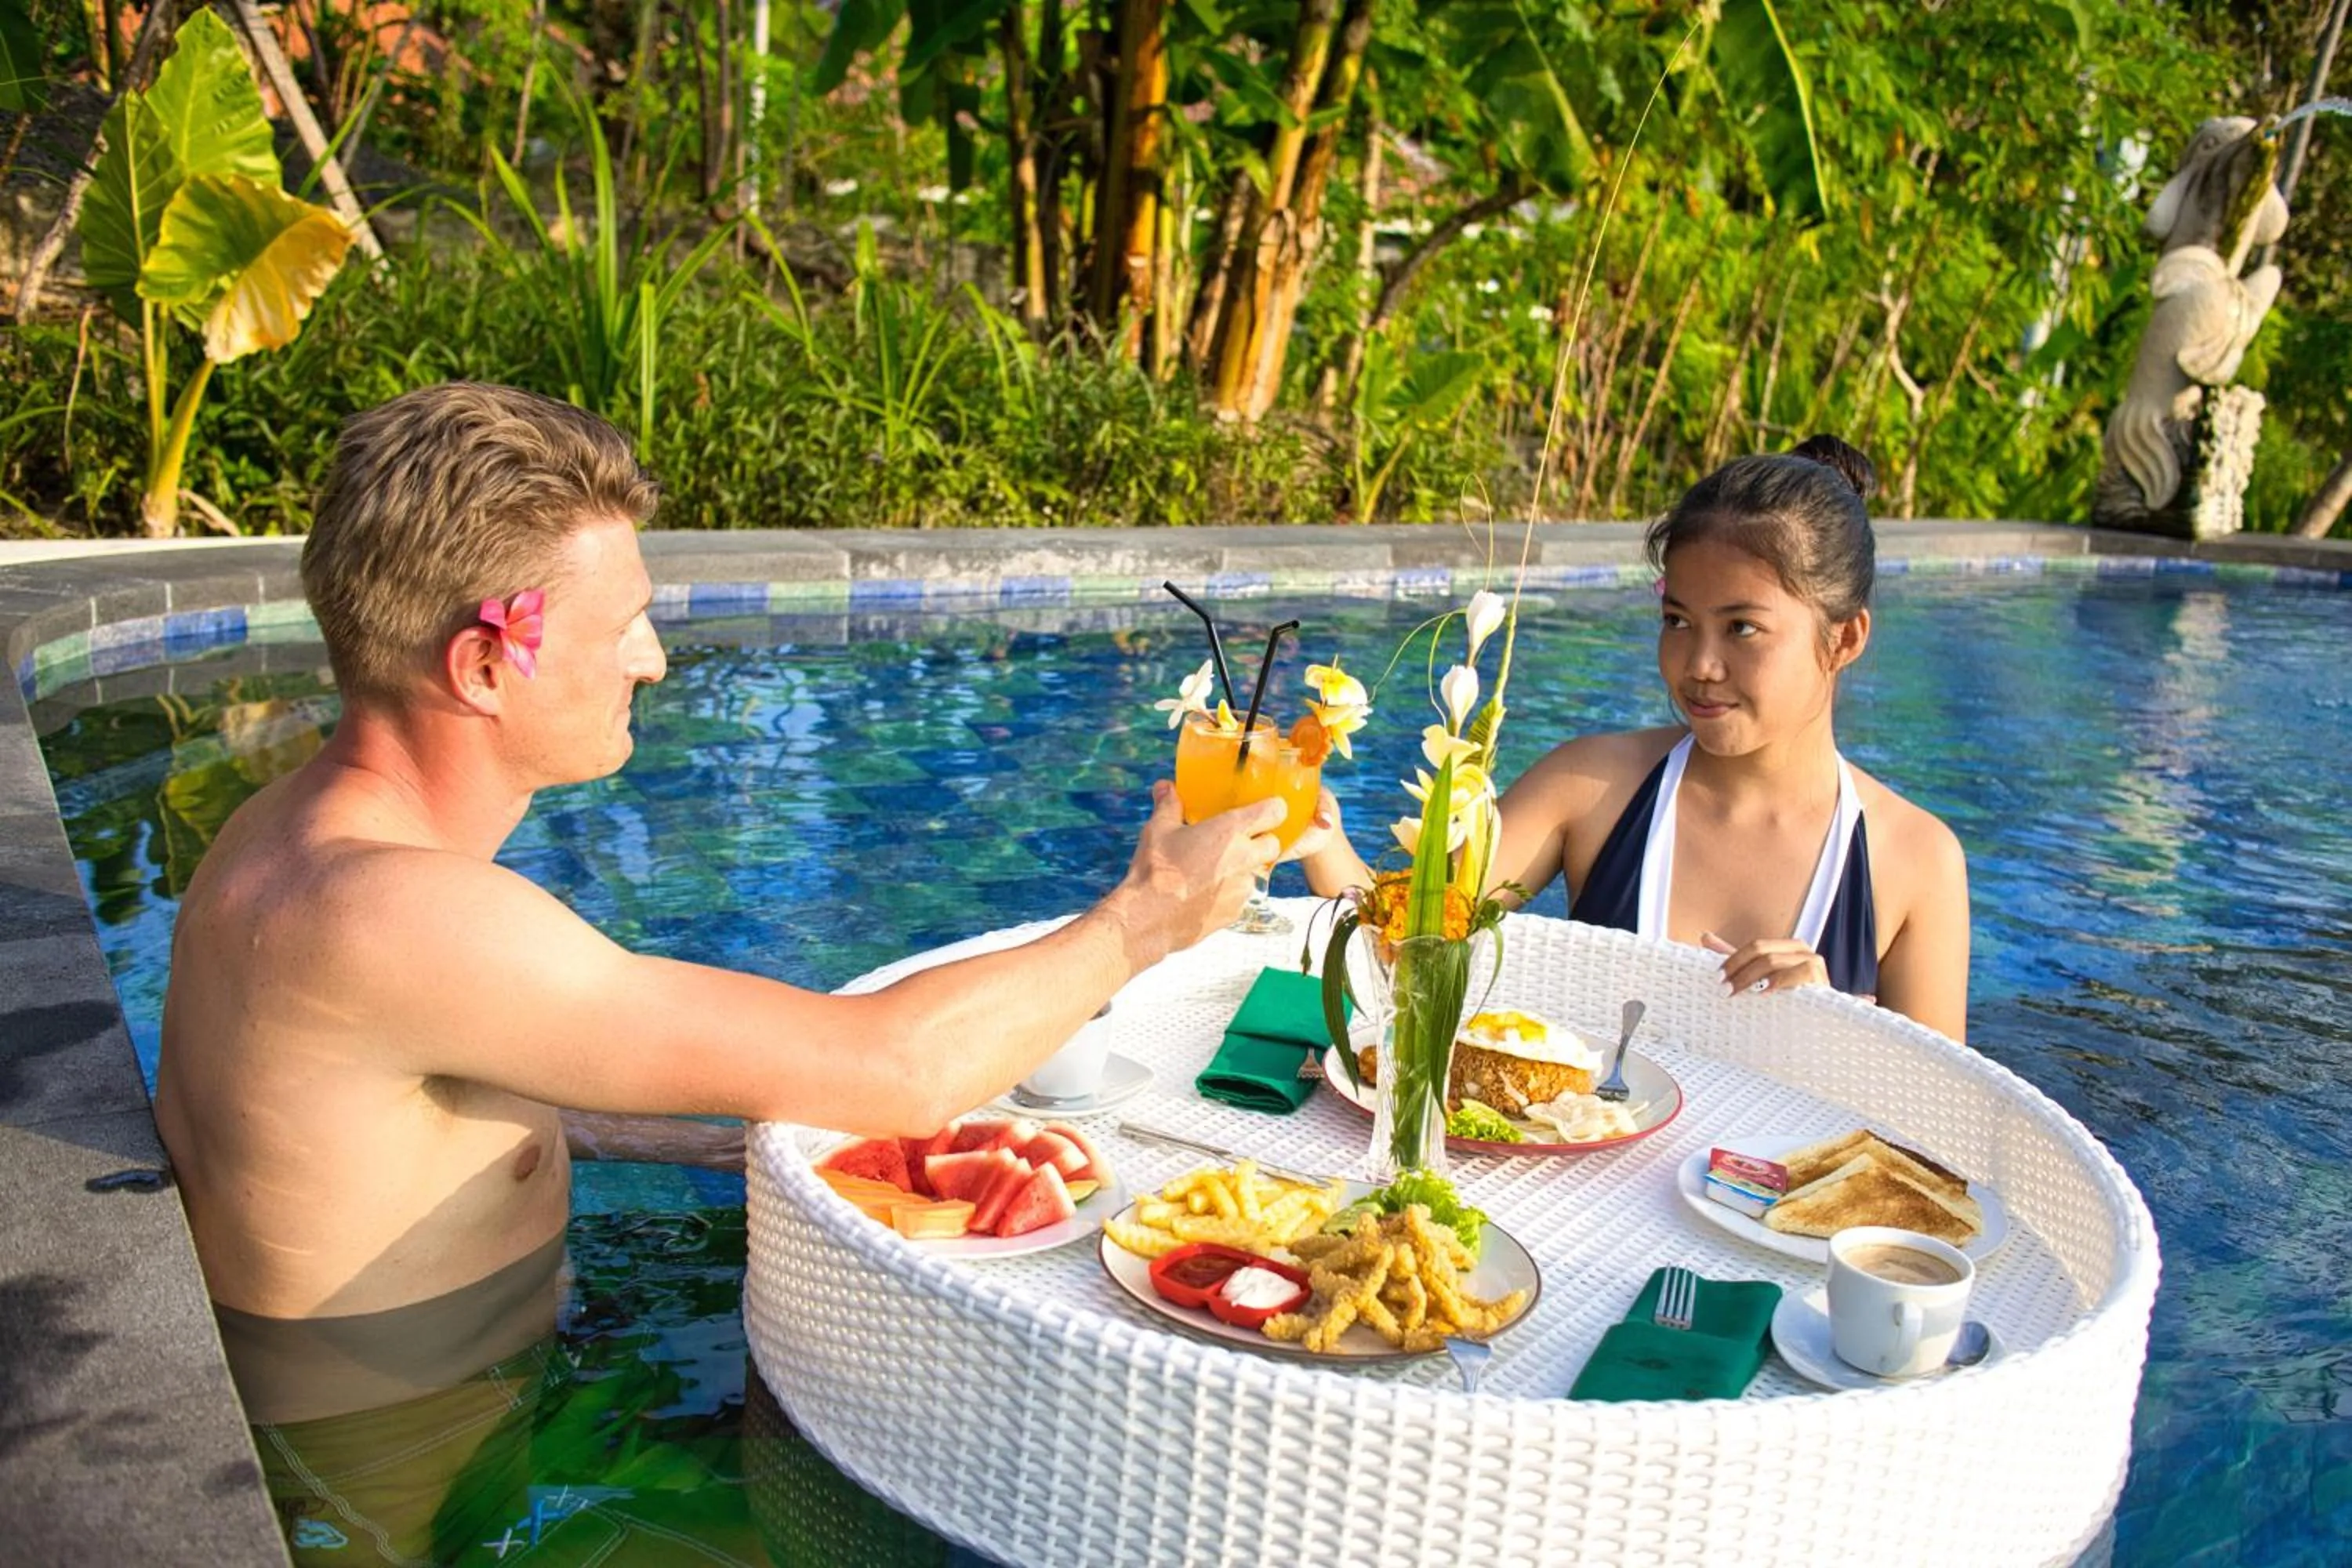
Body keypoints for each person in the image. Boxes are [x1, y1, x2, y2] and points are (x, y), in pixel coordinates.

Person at [153, 383, 1283, 1559]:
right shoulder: (403, 915)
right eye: (624, 625)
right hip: (407, 1496)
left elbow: (406, 1105)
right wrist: (1147, 920)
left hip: (449, 1417)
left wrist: (710, 1139)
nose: (651, 660)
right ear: (485, 664)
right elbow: (900, 1069)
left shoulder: (285, 835)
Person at [1298, 436, 1971, 1040]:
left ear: (1845, 638)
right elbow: (1411, 947)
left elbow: (1940, 1129)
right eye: (1677, 620)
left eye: (1741, 628)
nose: (1699, 665)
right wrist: (1319, 829)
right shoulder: (1590, 790)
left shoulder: (1914, 862)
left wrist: (1835, 1032)